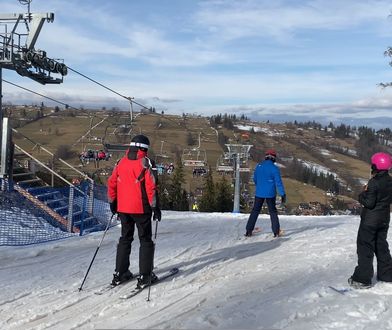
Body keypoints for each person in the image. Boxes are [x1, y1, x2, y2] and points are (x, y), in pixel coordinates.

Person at [107, 134, 162, 288]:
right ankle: (145, 275)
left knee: (125, 238)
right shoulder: (146, 163)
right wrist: (155, 207)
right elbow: (151, 187)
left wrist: (113, 202)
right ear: (144, 148)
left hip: (123, 208)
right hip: (141, 208)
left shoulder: (121, 162)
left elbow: (112, 183)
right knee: (145, 240)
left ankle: (120, 272)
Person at [349, 152, 392, 289]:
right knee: (381, 246)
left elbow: (369, 203)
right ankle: (386, 275)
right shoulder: (390, 181)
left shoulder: (373, 182)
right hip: (384, 219)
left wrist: (362, 193)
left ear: (375, 166)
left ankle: (362, 279)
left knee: (365, 247)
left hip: (370, 221)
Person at [245, 149, 286, 237]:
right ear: (273, 158)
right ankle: (276, 232)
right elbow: (278, 183)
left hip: (259, 193)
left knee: (255, 211)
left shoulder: (258, 166)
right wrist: (282, 194)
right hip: (270, 194)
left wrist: (260, 186)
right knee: (272, 212)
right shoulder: (274, 168)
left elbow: (255, 179)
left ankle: (249, 230)